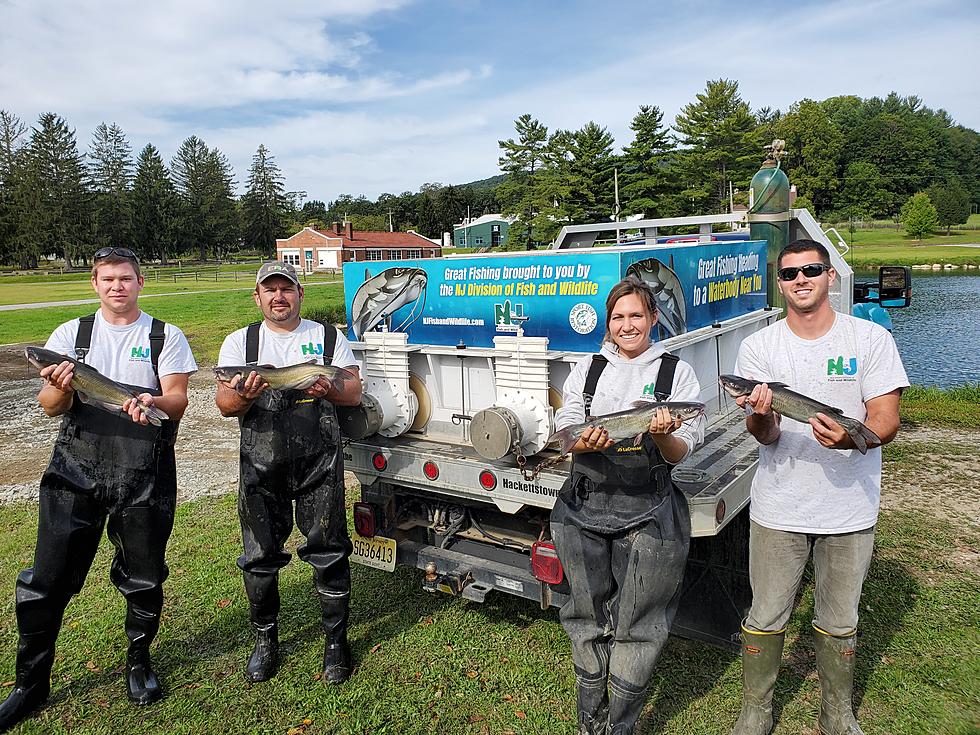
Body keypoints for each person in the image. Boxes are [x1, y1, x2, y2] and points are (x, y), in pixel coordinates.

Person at [0, 247, 197, 731]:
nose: (117, 286)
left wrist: (150, 400)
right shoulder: (71, 335)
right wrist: (63, 385)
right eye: (108, 279)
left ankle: (138, 662)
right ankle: (30, 682)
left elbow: (177, 401)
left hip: (144, 469)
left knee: (144, 575)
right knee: (46, 578)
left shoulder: (163, 335)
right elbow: (50, 406)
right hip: (75, 468)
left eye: (126, 278)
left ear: (140, 282)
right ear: (95, 284)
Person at [729, 240, 908, 735]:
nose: (800, 280)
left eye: (811, 270)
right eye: (789, 274)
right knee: (765, 613)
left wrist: (853, 442)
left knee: (840, 615)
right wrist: (760, 415)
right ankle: (755, 711)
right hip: (778, 507)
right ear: (780, 284)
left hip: (849, 509)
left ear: (830, 276)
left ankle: (837, 714)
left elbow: (885, 419)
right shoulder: (759, 347)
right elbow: (763, 435)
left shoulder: (869, 339)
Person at [550, 276, 705, 735]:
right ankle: (588, 718)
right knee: (584, 616)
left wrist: (663, 435)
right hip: (585, 503)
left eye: (636, 315)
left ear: (654, 319)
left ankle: (621, 724)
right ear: (608, 322)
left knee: (639, 623)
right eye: (618, 316)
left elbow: (681, 449)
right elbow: (569, 425)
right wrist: (582, 441)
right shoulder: (588, 368)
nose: (627, 324)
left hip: (649, 506)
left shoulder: (677, 373)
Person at [215, 261, 362, 685]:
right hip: (261, 464)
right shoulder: (240, 343)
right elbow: (225, 405)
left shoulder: (328, 337)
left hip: (319, 462)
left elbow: (353, 390)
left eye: (287, 289)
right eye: (270, 290)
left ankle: (336, 645)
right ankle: (266, 642)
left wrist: (330, 388)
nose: (279, 297)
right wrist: (242, 395)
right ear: (257, 298)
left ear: (301, 294)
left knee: (329, 549)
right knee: (259, 557)